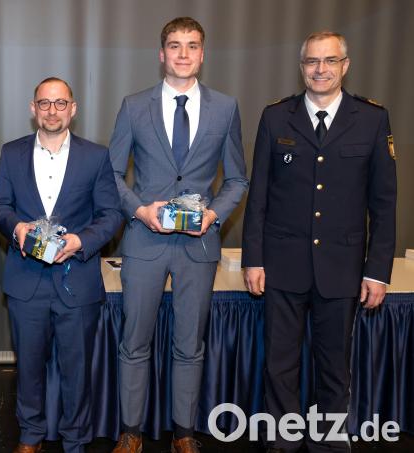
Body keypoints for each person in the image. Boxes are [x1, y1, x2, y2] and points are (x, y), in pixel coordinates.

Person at [242, 31, 396, 453]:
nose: (320, 69)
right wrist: (252, 259)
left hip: (342, 267)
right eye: (312, 61)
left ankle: (329, 443)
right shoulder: (276, 117)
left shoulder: (371, 119)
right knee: (280, 364)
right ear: (302, 67)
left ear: (345, 66)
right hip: (282, 262)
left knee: (333, 367)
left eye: (330, 61)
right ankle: (284, 440)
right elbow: (259, 197)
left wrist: (377, 271)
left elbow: (383, 203)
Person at [107, 17, 248, 453]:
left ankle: (183, 433)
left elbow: (238, 180)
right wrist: (140, 209)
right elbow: (111, 174)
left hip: (198, 245)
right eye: (174, 45)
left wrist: (214, 216)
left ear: (203, 54)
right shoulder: (134, 106)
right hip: (144, 242)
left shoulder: (226, 107)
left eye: (191, 45)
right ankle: (131, 431)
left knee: (190, 345)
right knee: (135, 342)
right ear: (161, 54)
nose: (183, 53)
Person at [0, 77, 122, 453]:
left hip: (77, 282)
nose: (52, 111)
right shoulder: (12, 152)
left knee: (77, 373)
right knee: (28, 369)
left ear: (73, 109)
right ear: (33, 109)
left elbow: (111, 214)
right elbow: (0, 206)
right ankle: (30, 436)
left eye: (60, 103)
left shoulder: (96, 156)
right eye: (44, 104)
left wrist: (81, 241)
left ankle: (76, 440)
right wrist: (16, 226)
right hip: (25, 282)